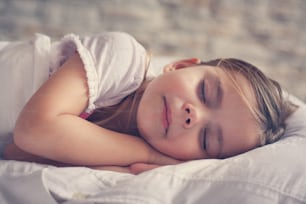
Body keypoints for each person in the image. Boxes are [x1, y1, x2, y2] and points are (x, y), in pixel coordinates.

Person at [0, 32, 296, 174]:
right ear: (179, 66)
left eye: (206, 138)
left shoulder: (115, 149)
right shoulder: (123, 57)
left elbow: (16, 151)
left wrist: (126, 166)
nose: (193, 114)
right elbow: (34, 130)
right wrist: (148, 154)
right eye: (205, 92)